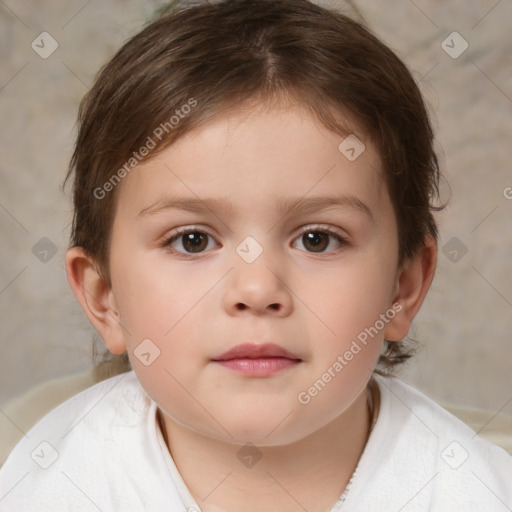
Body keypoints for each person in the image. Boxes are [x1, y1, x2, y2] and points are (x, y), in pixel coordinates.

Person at [1, 0, 511, 510]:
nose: (257, 290)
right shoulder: (49, 488)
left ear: (403, 288)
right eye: (192, 240)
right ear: (105, 297)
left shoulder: (475, 491)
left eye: (318, 239)